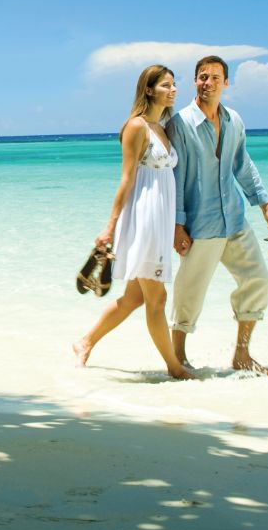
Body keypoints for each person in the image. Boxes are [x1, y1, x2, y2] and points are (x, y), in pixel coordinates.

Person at [72, 65, 195, 379]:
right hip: (144, 219)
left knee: (134, 298)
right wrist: (110, 227)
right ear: (150, 89)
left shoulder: (162, 127)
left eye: (174, 85)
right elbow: (126, 179)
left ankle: (84, 342)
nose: (173, 90)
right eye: (166, 85)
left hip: (161, 218)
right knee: (158, 297)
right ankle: (174, 367)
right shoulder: (136, 126)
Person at [169, 55, 268, 374]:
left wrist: (266, 206)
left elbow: (242, 165)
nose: (208, 83)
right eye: (203, 77)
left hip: (234, 218)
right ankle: (177, 357)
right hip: (200, 224)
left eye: (215, 78)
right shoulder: (180, 124)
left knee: (257, 280)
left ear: (226, 83)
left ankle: (242, 355)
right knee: (189, 291)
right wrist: (177, 224)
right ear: (195, 81)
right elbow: (175, 177)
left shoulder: (234, 120)